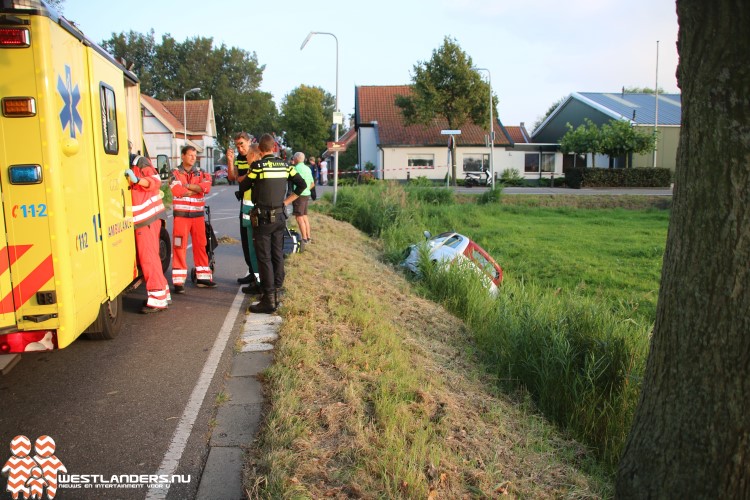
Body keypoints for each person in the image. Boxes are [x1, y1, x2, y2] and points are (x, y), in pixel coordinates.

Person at [238, 133, 307, 313]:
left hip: (263, 218)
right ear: (274, 148)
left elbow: (243, 186)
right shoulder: (286, 166)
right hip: (280, 216)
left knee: (264, 257)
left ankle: (268, 299)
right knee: (277, 254)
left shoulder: (258, 167)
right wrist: (286, 201)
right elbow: (302, 185)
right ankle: (277, 290)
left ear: (260, 150)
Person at [125, 143, 170, 313]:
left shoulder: (139, 161)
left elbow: (155, 181)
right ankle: (163, 292)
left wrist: (137, 180)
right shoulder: (130, 163)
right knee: (153, 258)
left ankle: (157, 300)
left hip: (146, 218)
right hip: (146, 218)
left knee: (148, 259)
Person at [170, 145, 216, 292]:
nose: (193, 158)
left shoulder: (202, 173)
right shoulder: (174, 173)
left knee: (201, 245)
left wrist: (187, 186)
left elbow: (207, 187)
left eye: (195, 156)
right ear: (182, 156)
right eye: (190, 155)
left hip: (197, 217)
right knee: (179, 247)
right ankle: (178, 281)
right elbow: (177, 190)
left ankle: (203, 277)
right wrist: (197, 189)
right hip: (181, 217)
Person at [226, 132, 262, 293]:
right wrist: (229, 161)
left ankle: (257, 278)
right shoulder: (240, 159)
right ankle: (252, 272)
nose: (240, 148)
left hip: (254, 203)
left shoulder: (255, 156)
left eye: (242, 144)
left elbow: (245, 178)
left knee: (254, 242)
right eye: (238, 145)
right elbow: (233, 177)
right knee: (246, 242)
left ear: (249, 142)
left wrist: (243, 177)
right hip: (245, 202)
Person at [291, 152, 314, 243]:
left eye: (293, 158)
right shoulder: (308, 169)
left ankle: (304, 238)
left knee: (299, 217)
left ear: (296, 159)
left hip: (298, 195)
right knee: (304, 216)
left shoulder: (295, 168)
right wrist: (306, 189)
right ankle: (308, 236)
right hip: (306, 194)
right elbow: (312, 183)